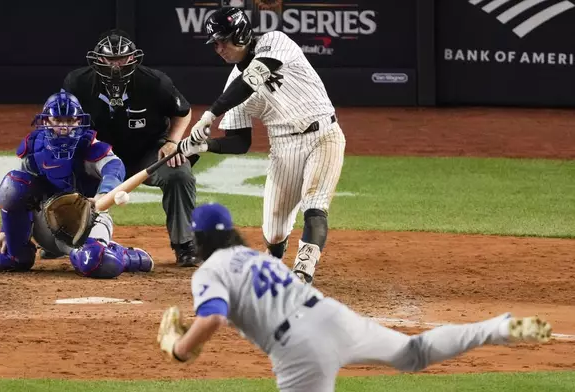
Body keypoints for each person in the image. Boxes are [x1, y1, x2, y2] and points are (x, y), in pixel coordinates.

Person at [157, 202, 553, 392]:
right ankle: (498, 328)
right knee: (413, 353)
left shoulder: (210, 270)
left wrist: (180, 348)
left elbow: (214, 319)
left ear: (201, 238)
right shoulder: (259, 259)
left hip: (298, 348)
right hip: (331, 315)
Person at [178, 7, 346, 282]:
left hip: (323, 135)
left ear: (241, 34)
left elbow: (253, 78)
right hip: (283, 149)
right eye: (215, 43)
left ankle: (303, 272)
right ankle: (274, 265)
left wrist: (210, 114)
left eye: (223, 40)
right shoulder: (232, 85)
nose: (218, 48)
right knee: (274, 233)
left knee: (315, 205)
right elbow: (239, 142)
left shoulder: (275, 42)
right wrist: (205, 147)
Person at [61, 29, 199, 267]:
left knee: (179, 172)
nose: (116, 66)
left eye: (121, 60)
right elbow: (64, 120)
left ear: (133, 58)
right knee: (60, 164)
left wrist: (172, 142)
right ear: (98, 59)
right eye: (110, 60)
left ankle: (184, 244)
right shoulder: (77, 83)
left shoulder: (155, 83)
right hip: (99, 156)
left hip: (146, 152)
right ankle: (60, 237)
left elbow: (183, 113)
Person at [0, 92, 154, 279]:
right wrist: (7, 230)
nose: (64, 127)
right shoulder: (34, 148)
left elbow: (114, 167)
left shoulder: (88, 146)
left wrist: (102, 195)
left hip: (86, 222)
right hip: (46, 224)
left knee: (95, 263)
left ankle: (127, 256)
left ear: (79, 121)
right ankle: (16, 256)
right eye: (57, 120)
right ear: (46, 121)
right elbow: (18, 194)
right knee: (13, 184)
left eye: (70, 120)